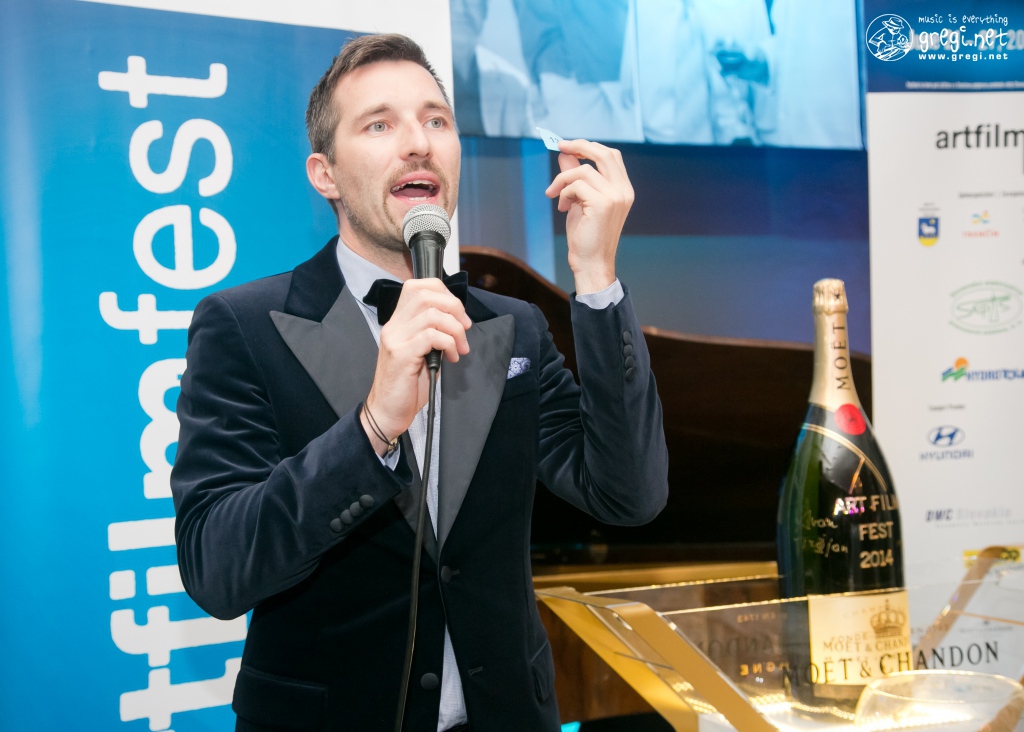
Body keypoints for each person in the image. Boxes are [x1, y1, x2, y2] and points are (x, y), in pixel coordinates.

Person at [171, 33, 668, 732]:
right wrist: (373, 426)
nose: (418, 143)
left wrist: (595, 278)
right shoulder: (244, 326)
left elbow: (628, 494)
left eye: (436, 120)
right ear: (325, 174)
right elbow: (217, 570)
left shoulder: (515, 328)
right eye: (379, 125)